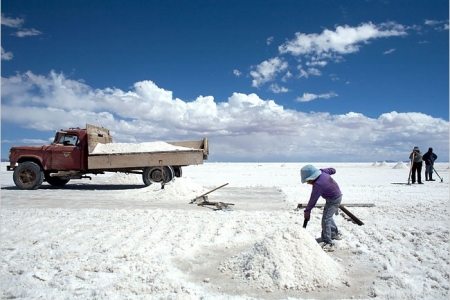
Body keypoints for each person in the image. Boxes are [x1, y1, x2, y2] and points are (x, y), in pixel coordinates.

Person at [299, 164, 342, 251]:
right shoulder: (323, 172)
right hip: (336, 197)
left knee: (326, 219)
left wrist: (307, 212)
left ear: (312, 177)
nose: (307, 183)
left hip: (333, 200)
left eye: (308, 180)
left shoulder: (318, 184)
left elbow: (313, 200)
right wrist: (330, 170)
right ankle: (334, 233)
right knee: (328, 217)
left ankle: (328, 243)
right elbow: (332, 170)